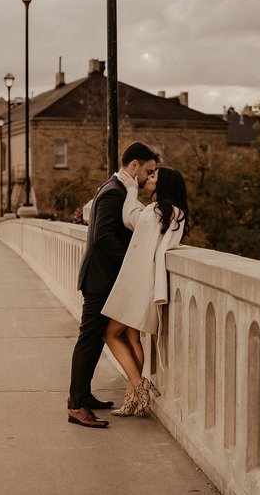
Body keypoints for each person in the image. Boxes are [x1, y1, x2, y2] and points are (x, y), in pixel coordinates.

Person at [67, 142, 160, 429]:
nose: (148, 177)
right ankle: (76, 406)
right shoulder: (114, 193)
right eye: (147, 170)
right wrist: (134, 265)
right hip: (100, 279)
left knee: (95, 341)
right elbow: (104, 237)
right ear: (134, 166)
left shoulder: (114, 189)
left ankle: (83, 395)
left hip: (102, 278)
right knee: (88, 340)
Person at [102, 166, 189, 417]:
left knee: (110, 334)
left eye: (153, 177)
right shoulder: (176, 213)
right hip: (150, 283)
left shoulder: (155, 210)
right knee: (132, 336)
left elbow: (130, 218)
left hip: (138, 283)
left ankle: (140, 384)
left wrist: (130, 190)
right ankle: (131, 399)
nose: (148, 178)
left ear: (163, 185)